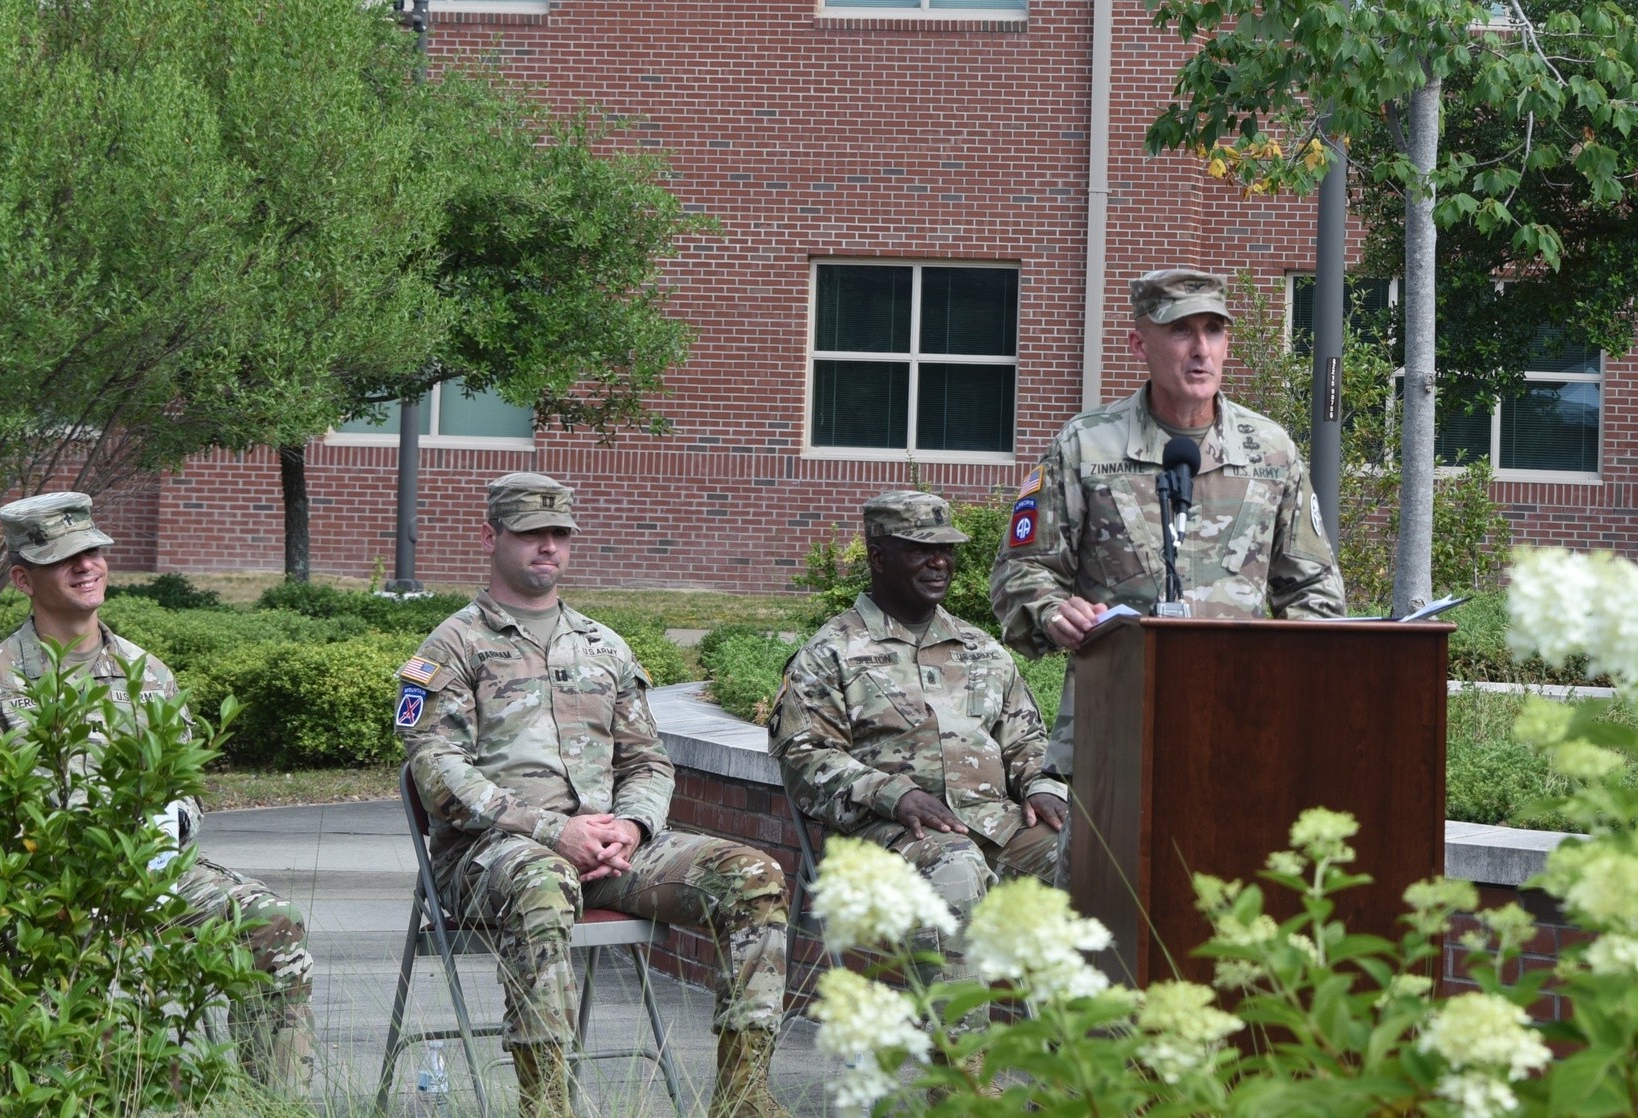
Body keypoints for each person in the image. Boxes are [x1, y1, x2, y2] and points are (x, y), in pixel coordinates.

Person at [397, 472, 791, 1118]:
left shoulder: (603, 646)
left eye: (559, 534)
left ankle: (742, 1100)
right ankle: (547, 1106)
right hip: (491, 858)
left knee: (753, 877)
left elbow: (647, 761)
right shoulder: (452, 647)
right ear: (491, 535)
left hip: (610, 852)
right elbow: (439, 775)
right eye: (531, 534)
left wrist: (631, 828)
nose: (547, 547)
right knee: (543, 881)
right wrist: (554, 833)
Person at [0, 492, 315, 1093]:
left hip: (155, 875)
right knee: (88, 989)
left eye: (94, 551)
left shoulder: (148, 673)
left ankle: (272, 1102)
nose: (87, 565)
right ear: (23, 578)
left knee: (271, 922)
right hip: (50, 892)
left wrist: (166, 836)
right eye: (65, 558)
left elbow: (185, 790)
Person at [989, 267, 1347, 784]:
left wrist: (1294, 681)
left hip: (1244, 724)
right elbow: (1019, 573)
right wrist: (1050, 612)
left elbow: (1314, 588)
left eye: (1214, 330)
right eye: (1181, 330)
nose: (1201, 349)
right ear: (1140, 344)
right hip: (1114, 726)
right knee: (1108, 868)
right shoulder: (1086, 446)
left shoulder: (1270, 451)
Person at [768, 491, 1068, 988]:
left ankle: (1100, 1051)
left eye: (946, 550)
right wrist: (894, 793)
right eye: (919, 550)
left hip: (996, 825)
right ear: (879, 557)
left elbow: (1027, 740)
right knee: (956, 870)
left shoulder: (981, 649)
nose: (939, 563)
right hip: (885, 836)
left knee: (1095, 861)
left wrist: (1042, 785)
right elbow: (804, 758)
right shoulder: (831, 653)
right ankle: (963, 1063)